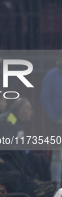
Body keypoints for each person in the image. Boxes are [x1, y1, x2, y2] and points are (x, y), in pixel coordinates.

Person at [0, 98, 54, 197]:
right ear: (20, 110)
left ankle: (44, 189)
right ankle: (34, 189)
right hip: (6, 156)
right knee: (26, 162)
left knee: (41, 160)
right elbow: (10, 147)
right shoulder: (9, 120)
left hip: (17, 152)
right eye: (28, 109)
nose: (31, 112)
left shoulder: (18, 122)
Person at [41, 57, 62, 190]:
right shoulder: (51, 76)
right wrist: (55, 118)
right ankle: (57, 189)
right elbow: (45, 98)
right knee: (57, 156)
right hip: (58, 123)